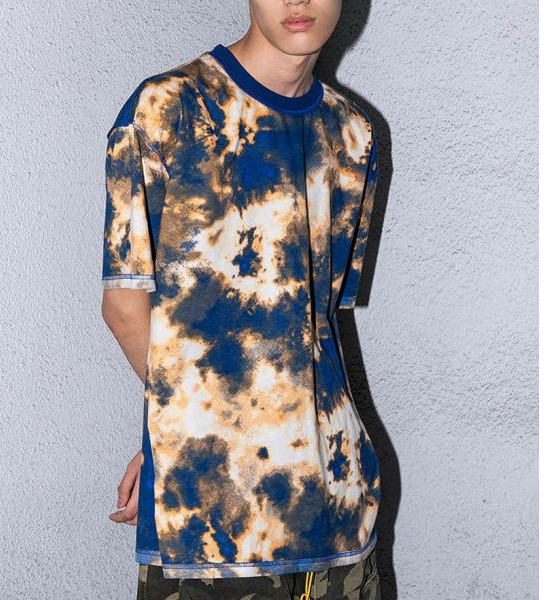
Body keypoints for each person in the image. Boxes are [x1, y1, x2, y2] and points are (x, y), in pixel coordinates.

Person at [101, 1, 382, 598]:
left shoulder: (353, 135)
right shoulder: (167, 107)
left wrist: (171, 432)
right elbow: (124, 308)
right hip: (215, 525)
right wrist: (177, 437)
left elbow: (304, 326)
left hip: (339, 502)